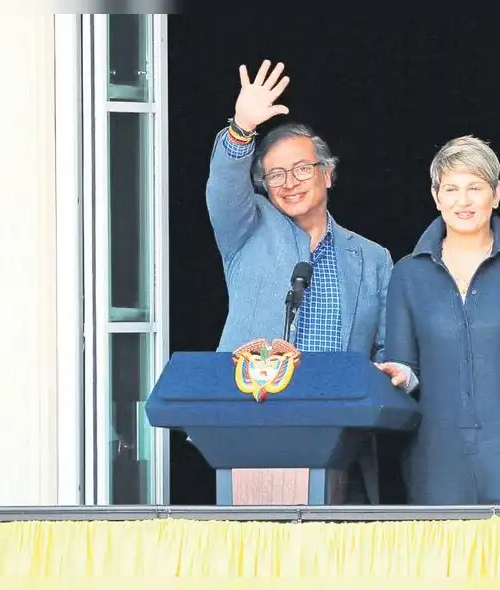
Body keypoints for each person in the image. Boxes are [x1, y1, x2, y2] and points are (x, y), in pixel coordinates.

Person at [205, 60, 394, 504]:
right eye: (275, 175)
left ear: (327, 173)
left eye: (302, 169)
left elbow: (387, 349)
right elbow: (222, 187)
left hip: (339, 441)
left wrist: (394, 372)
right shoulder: (246, 230)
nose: (289, 183)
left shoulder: (372, 258)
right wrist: (241, 127)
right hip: (253, 432)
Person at [376, 135, 500, 505]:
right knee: (440, 563)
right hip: (434, 460)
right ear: (436, 196)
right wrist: (398, 375)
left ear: (497, 194)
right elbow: (405, 367)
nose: (463, 201)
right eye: (451, 188)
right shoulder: (408, 274)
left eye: (475, 187)